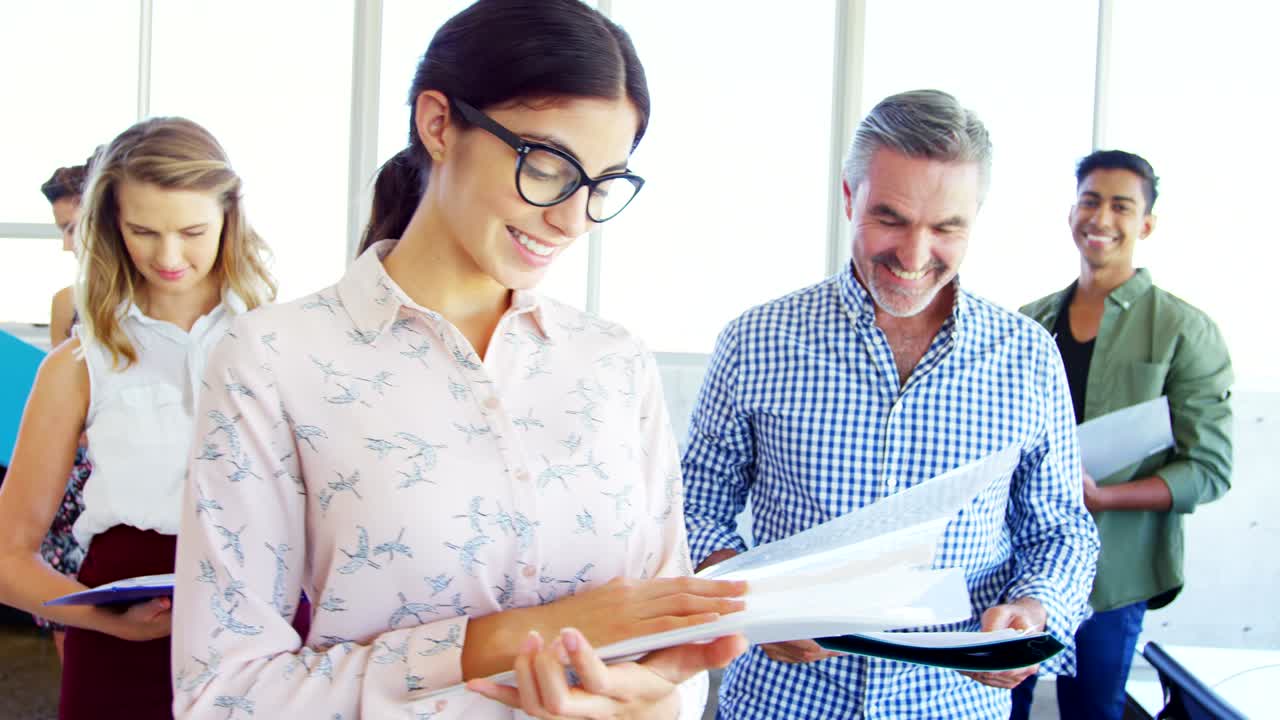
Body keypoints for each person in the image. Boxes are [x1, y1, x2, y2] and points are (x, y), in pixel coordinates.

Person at [170, 2, 746, 718]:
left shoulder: (615, 363)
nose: (571, 219)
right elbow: (223, 695)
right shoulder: (273, 360)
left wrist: (654, 705)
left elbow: (669, 642)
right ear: (438, 123)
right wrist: (510, 640)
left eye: (601, 185)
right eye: (548, 165)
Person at [681, 89, 1101, 719]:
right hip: (783, 702)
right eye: (892, 218)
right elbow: (693, 507)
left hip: (952, 705)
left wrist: (1034, 609)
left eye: (946, 228)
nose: (913, 255)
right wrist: (752, 603)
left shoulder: (1028, 356)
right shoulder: (757, 340)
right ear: (849, 199)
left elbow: (1062, 529)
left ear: (975, 219)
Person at [0, 117, 277, 720]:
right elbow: (5, 557)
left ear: (230, 217)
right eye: (144, 231)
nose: (169, 256)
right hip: (121, 644)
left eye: (192, 231)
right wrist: (103, 622)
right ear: (111, 227)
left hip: (264, 640)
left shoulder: (280, 344)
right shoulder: (79, 363)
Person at [1010, 150, 1233, 720]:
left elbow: (1209, 470)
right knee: (996, 702)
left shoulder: (1184, 329)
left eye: (1121, 206)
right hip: (1015, 565)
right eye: (1090, 200)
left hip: (1114, 575)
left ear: (1146, 224)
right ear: (1071, 212)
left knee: (1092, 713)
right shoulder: (1027, 323)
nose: (1101, 218)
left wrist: (1104, 497)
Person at [32, 158, 94, 663]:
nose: (66, 245)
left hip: (138, 478)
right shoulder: (65, 302)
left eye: (72, 229)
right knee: (63, 608)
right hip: (76, 478)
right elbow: (63, 413)